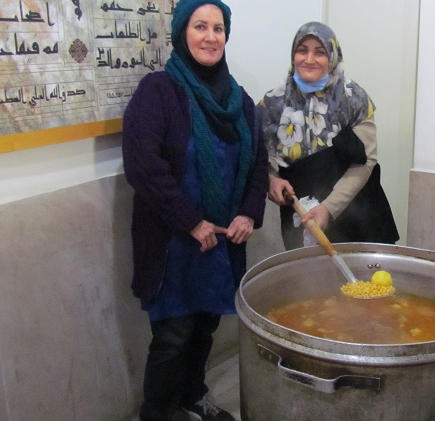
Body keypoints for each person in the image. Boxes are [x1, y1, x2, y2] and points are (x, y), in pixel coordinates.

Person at [121, 0, 267, 420]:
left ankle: (192, 394)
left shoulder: (240, 101)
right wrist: (191, 221)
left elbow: (258, 162)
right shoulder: (158, 92)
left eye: (218, 28)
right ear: (182, 32)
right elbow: (144, 167)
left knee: (205, 325)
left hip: (220, 240)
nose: (210, 37)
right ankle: (158, 412)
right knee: (172, 336)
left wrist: (248, 214)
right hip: (174, 242)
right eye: (200, 26)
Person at [257, 22, 399, 250]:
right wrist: (272, 180)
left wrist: (329, 208)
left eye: (320, 52)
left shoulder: (354, 100)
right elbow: (255, 156)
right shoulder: (272, 104)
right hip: (302, 215)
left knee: (363, 273)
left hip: (359, 215)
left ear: (333, 57)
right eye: (302, 50)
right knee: (307, 272)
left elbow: (367, 162)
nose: (309, 59)